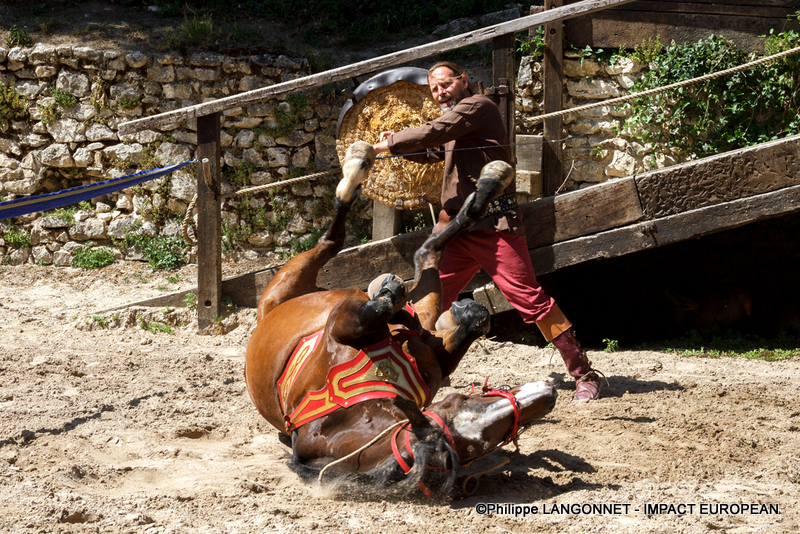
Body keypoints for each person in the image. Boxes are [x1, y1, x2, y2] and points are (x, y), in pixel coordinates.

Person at [372, 61, 603, 400]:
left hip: (492, 225)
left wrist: (391, 142)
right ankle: (415, 369)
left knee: (529, 300)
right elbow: (433, 146)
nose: (440, 93)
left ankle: (585, 373)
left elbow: (436, 131)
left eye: (445, 84)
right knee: (427, 299)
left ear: (463, 81)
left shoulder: (477, 106)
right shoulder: (456, 124)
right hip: (454, 229)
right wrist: (396, 147)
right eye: (434, 89)